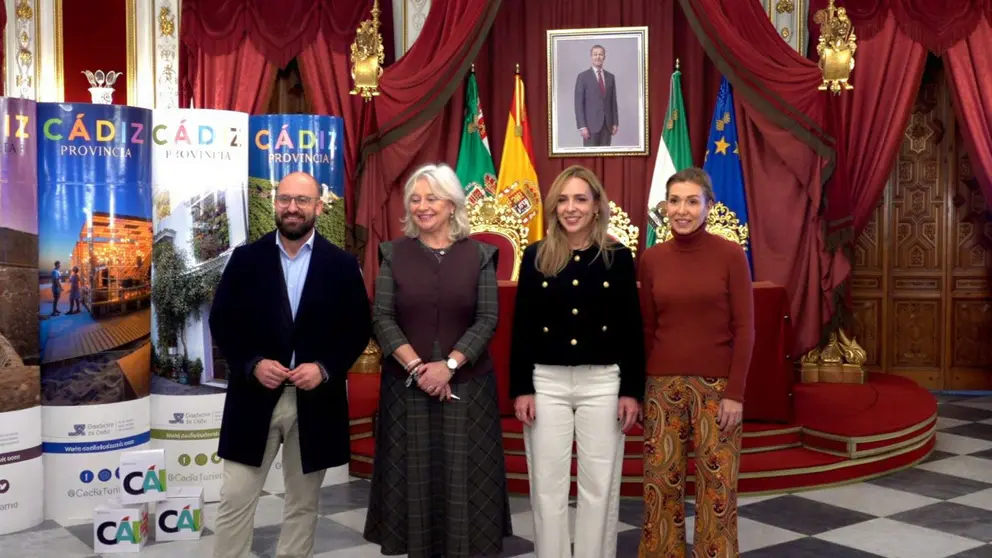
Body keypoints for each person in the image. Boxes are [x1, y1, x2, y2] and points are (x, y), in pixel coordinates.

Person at [208, 171, 372, 558]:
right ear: (274, 204)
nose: (292, 208)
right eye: (285, 200)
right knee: (235, 498)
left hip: (315, 403)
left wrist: (325, 368)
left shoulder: (341, 264)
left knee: (302, 504)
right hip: (253, 398)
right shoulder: (246, 259)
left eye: (302, 200)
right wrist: (252, 363)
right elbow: (222, 322)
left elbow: (357, 329)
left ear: (318, 206)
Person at [363, 163, 512, 557]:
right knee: (415, 482)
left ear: (452, 205)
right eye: (415, 199)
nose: (422, 206)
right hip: (406, 389)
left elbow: (487, 318)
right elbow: (381, 317)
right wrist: (418, 368)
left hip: (468, 387)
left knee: (467, 483)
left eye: (432, 198)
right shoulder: (393, 253)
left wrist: (447, 366)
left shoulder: (480, 255)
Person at [509, 165, 644, 558]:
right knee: (547, 486)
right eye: (563, 199)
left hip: (602, 382)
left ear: (597, 205)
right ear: (553, 206)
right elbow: (523, 327)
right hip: (546, 382)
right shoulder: (536, 255)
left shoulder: (617, 258)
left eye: (580, 199)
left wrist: (631, 391)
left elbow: (631, 328)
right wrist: (522, 388)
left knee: (599, 486)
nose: (571, 208)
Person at [637, 168, 754, 558]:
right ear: (664, 206)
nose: (681, 210)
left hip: (717, 390)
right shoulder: (652, 259)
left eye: (691, 201)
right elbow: (647, 328)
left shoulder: (730, 254)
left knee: (716, 486)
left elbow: (745, 328)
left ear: (709, 206)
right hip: (661, 389)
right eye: (674, 201)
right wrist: (641, 390)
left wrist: (735, 393)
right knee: (660, 486)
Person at [574, 44, 619, 147]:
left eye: (600, 54)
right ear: (591, 57)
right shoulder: (583, 77)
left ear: (604, 57)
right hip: (590, 127)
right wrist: (582, 126)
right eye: (595, 54)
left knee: (606, 159)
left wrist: (615, 123)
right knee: (590, 160)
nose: (598, 57)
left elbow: (613, 102)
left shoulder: (610, 77)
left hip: (607, 126)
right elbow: (578, 104)